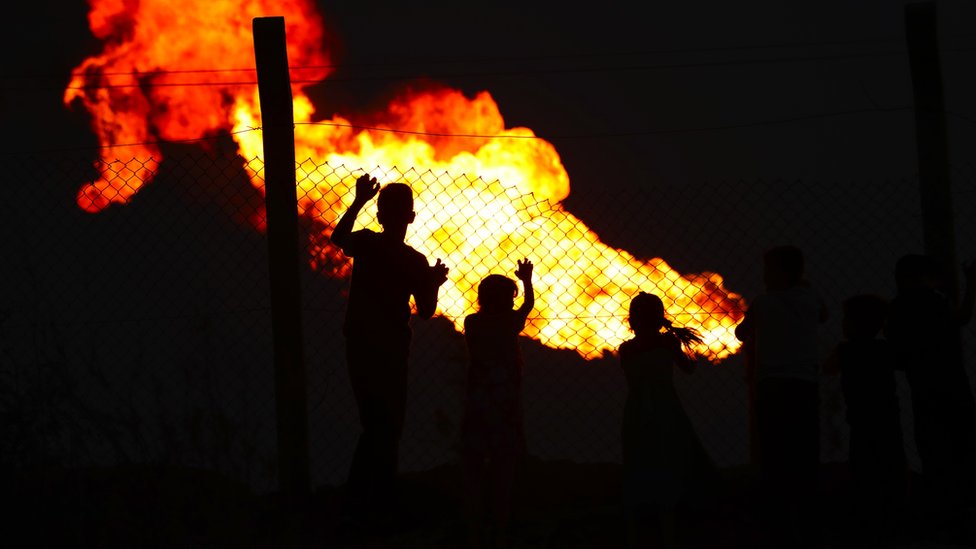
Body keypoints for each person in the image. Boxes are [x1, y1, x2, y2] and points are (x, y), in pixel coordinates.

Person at [330, 173, 450, 526]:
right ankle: (371, 500)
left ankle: (364, 500)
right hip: (392, 348)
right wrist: (433, 283)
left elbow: (339, 238)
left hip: (363, 343)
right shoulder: (415, 260)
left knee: (376, 424)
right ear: (412, 217)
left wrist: (357, 202)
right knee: (387, 425)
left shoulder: (368, 243)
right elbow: (427, 311)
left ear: (380, 216)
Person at [734, 245, 828, 548]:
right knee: (804, 452)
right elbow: (823, 314)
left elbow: (741, 333)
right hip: (804, 385)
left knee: (774, 454)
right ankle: (809, 522)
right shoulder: (810, 300)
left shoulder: (763, 303)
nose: (763, 276)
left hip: (772, 387)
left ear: (780, 273)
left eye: (768, 270)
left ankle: (779, 526)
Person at [884, 254, 976, 542]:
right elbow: (961, 318)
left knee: (933, 451)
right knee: (963, 448)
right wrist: (970, 283)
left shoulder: (898, 308)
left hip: (923, 389)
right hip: (953, 385)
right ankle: (962, 513)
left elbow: (896, 356)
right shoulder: (935, 301)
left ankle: (942, 514)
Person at [619, 291, 713, 549]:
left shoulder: (627, 348)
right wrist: (673, 343)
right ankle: (670, 526)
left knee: (638, 465)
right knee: (669, 463)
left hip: (637, 411)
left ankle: (638, 531)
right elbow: (689, 368)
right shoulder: (668, 345)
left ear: (631, 321)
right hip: (667, 409)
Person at [460, 259, 534, 549]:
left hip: (478, 401)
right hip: (504, 404)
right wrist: (527, 280)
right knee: (504, 464)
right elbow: (526, 307)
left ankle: (474, 527)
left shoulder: (472, 322)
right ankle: (501, 526)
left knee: (475, 463)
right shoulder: (508, 323)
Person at [823, 293, 906, 545]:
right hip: (887, 421)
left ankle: (866, 526)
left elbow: (828, 368)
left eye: (847, 318)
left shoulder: (846, 350)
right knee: (890, 472)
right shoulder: (885, 349)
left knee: (863, 474)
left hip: (860, 422)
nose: (843, 324)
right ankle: (891, 525)